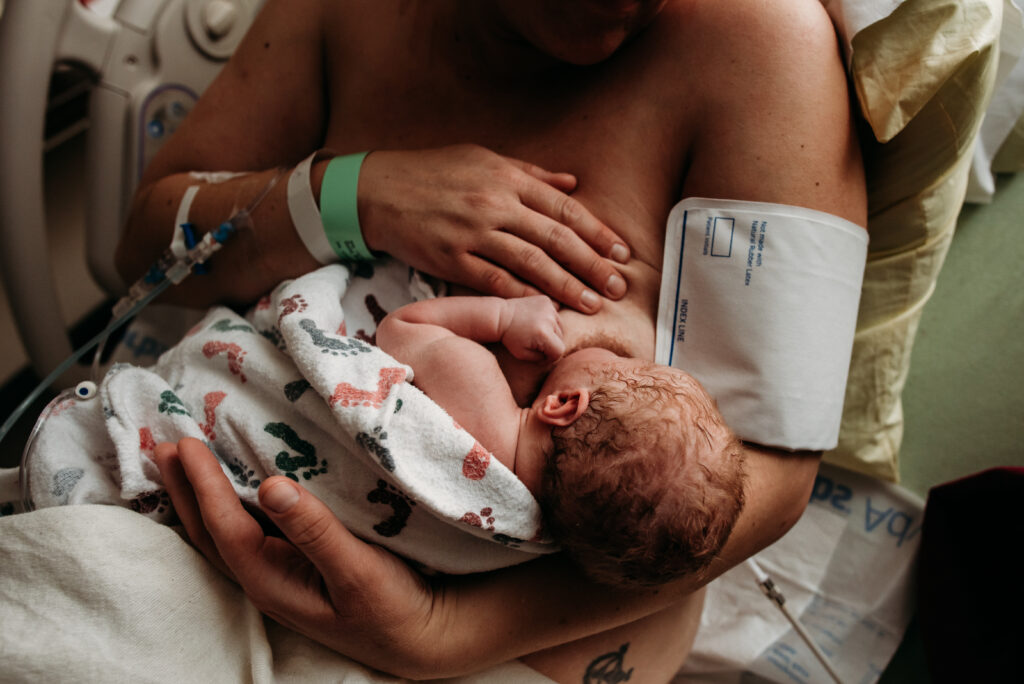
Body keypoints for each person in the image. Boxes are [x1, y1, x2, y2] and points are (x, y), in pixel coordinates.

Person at [131, 0, 867, 680]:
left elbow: (771, 473)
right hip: (219, 509)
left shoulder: (759, 44)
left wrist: (442, 629)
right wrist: (351, 197)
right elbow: (141, 254)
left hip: (520, 643)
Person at [375, 294, 746, 587]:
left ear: (564, 404)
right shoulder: (533, 541)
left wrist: (503, 317)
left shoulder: (475, 381)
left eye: (629, 363)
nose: (628, 355)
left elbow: (399, 327)